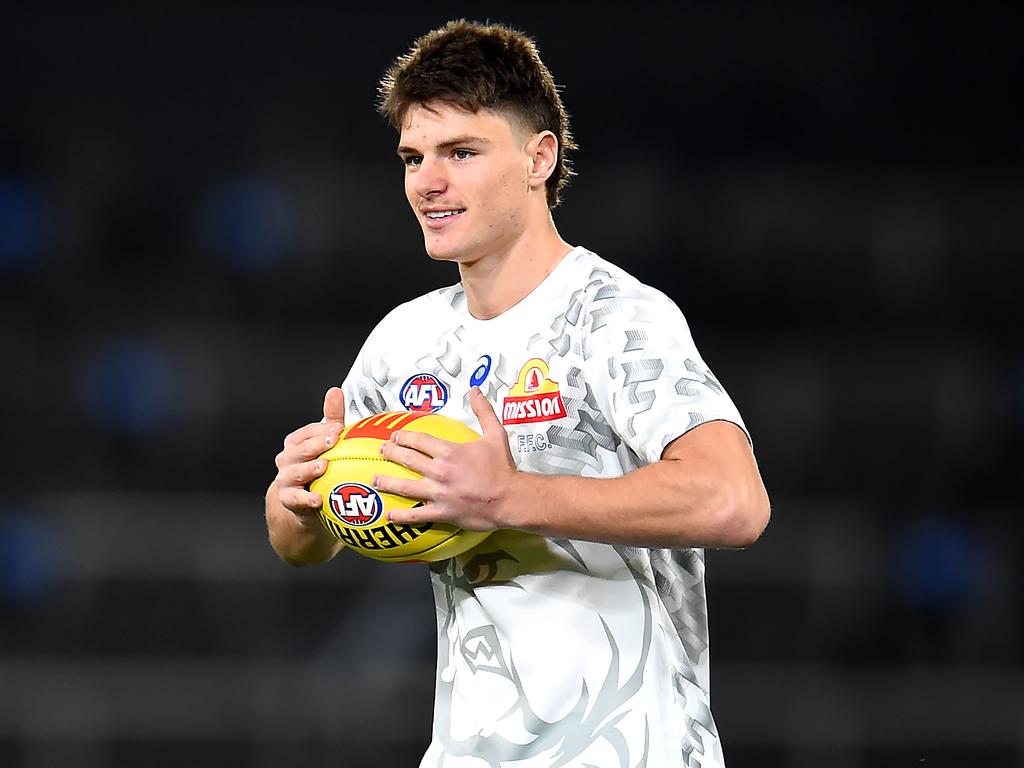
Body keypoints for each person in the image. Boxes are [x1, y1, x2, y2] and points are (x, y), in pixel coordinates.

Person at [265, 19, 770, 768]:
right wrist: (301, 499)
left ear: (541, 158)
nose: (427, 182)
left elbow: (733, 502)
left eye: (462, 153)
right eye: (413, 157)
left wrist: (505, 497)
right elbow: (300, 546)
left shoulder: (614, 318)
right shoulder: (406, 342)